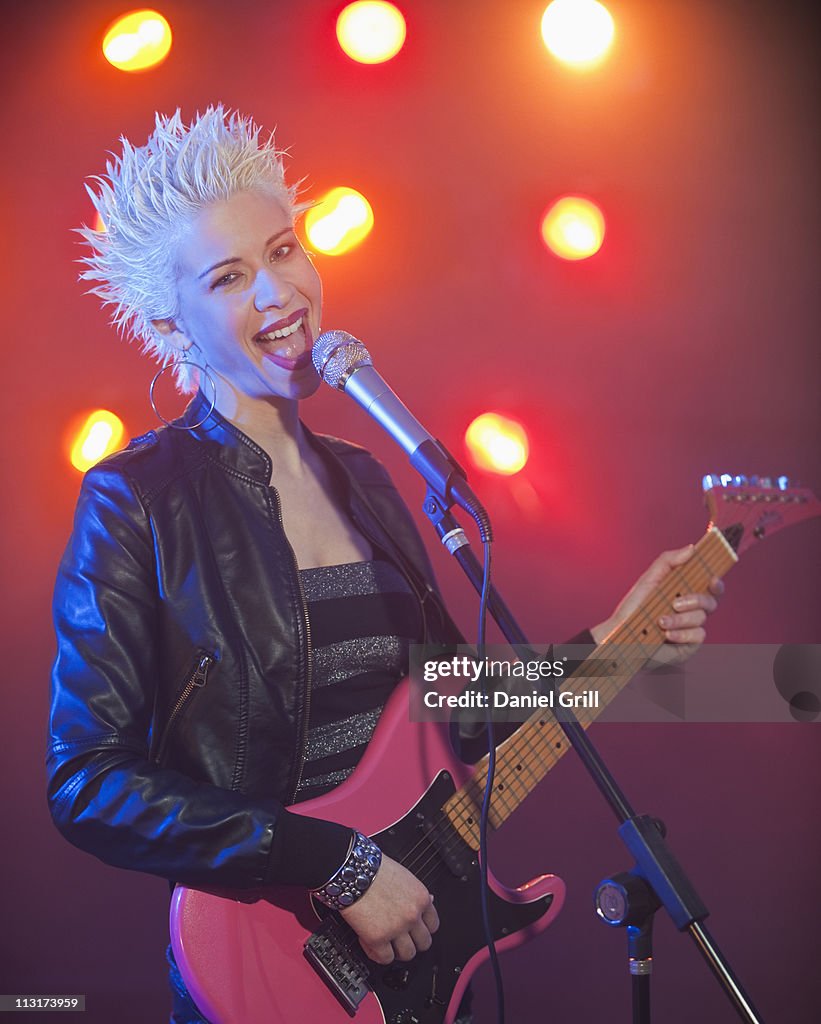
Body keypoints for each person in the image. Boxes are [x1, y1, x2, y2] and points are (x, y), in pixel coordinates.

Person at [47, 106, 722, 1023]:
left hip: (410, 964)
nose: (277, 291)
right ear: (173, 318)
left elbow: (450, 706)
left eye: (284, 251)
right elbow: (89, 780)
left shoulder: (365, 477)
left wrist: (618, 639)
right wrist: (339, 864)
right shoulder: (138, 498)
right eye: (230, 276)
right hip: (265, 960)